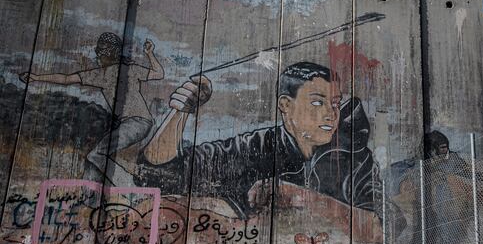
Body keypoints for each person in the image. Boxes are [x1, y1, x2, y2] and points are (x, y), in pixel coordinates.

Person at [138, 61, 377, 219]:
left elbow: (384, 225)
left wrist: (301, 198)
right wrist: (180, 110)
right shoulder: (254, 148)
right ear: (285, 105)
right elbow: (159, 173)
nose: (331, 114)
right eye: (317, 102)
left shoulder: (353, 157)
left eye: (335, 103)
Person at [19, 32, 164, 183]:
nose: (98, 58)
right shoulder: (103, 73)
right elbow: (67, 79)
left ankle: (127, 184)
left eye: (100, 54)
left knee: (97, 154)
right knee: (93, 160)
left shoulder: (122, 70)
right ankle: (88, 193)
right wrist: (36, 77)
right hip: (133, 123)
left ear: (107, 53)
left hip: (138, 123)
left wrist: (149, 54)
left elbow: (67, 79)